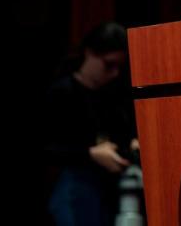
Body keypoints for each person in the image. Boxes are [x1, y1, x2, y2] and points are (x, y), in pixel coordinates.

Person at [45, 21, 138, 226]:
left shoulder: (114, 96)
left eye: (119, 67)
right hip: (74, 192)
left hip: (110, 191)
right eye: (108, 64)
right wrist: (90, 154)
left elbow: (122, 134)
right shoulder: (61, 93)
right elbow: (48, 148)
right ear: (89, 53)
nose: (114, 73)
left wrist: (131, 144)